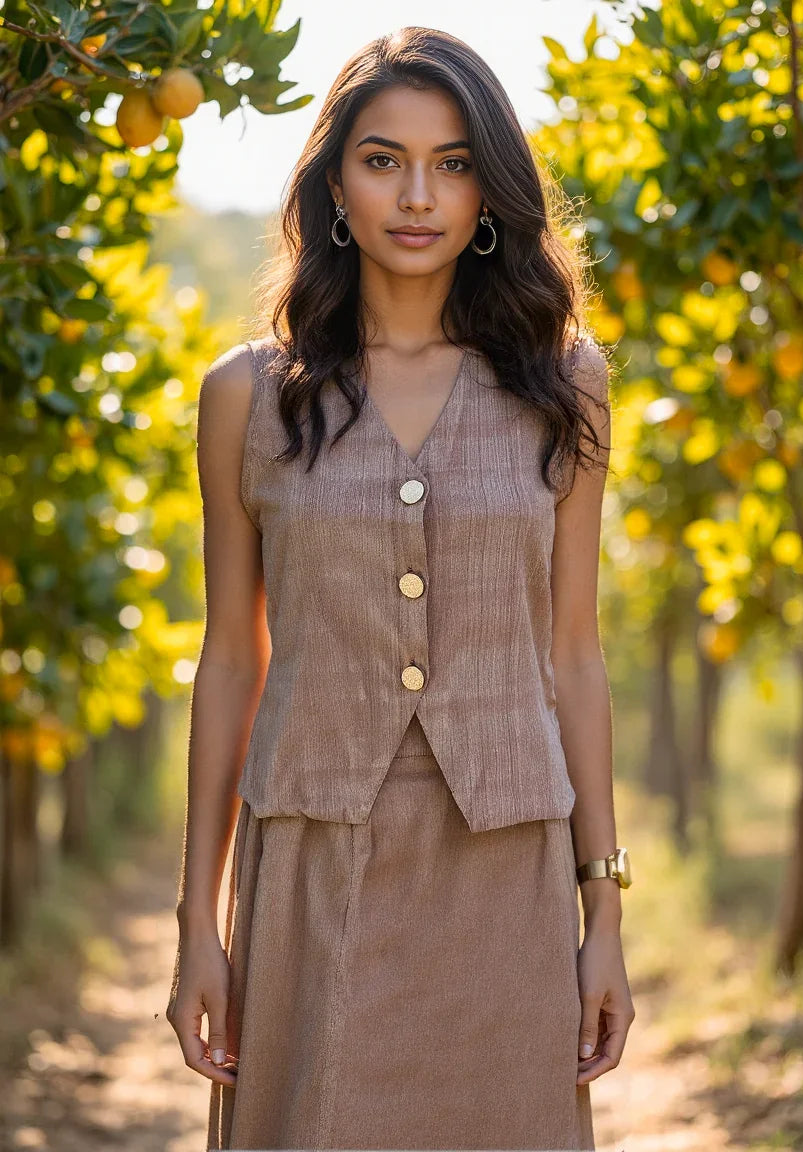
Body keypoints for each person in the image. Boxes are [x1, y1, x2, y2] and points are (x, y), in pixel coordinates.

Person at [166, 24, 635, 1152]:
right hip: (312, 863)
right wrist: (196, 922)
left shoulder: (565, 385)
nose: (418, 196)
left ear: (489, 191)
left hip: (506, 870)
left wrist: (605, 912)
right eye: (383, 161)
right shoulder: (247, 396)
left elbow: (573, 655)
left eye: (452, 163)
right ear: (334, 185)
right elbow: (230, 657)